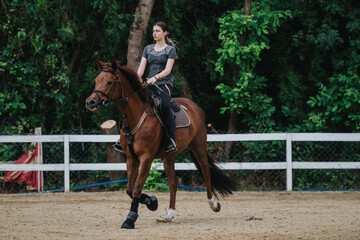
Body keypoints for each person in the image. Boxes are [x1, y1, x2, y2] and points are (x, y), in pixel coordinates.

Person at [114, 21, 178, 153]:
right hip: (148, 84)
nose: (155, 33)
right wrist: (137, 79)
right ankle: (123, 137)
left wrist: (156, 77)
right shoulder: (148, 49)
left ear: (165, 33)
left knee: (164, 106)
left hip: (164, 84)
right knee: (130, 103)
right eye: (154, 31)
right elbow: (141, 69)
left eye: (158, 31)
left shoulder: (170, 50)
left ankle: (171, 138)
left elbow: (167, 70)